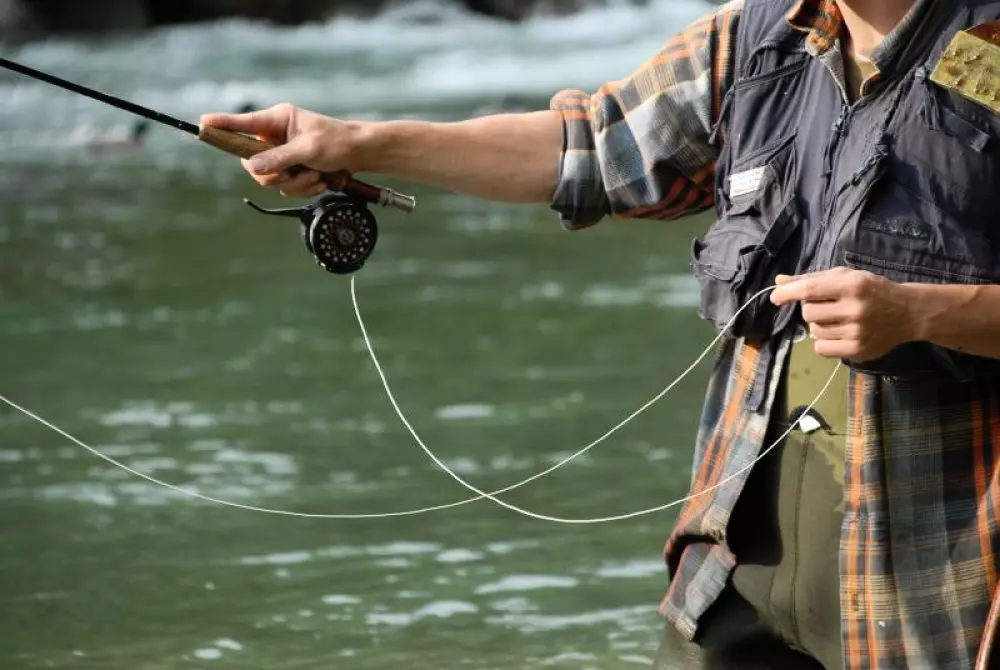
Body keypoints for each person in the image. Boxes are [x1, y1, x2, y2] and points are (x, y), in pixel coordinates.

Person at [201, 0, 1000, 667]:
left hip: (937, 604)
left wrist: (921, 314)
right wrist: (360, 143)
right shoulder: (753, 38)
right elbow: (587, 142)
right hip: (733, 582)